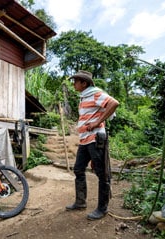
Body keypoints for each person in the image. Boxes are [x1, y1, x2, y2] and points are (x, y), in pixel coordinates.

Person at [65, 70, 119, 220]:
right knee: (78, 169)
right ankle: (80, 202)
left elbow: (114, 103)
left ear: (84, 83)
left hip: (95, 138)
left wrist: (96, 122)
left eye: (76, 81)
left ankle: (102, 208)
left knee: (102, 173)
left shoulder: (95, 94)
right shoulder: (84, 96)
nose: (73, 83)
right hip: (85, 139)